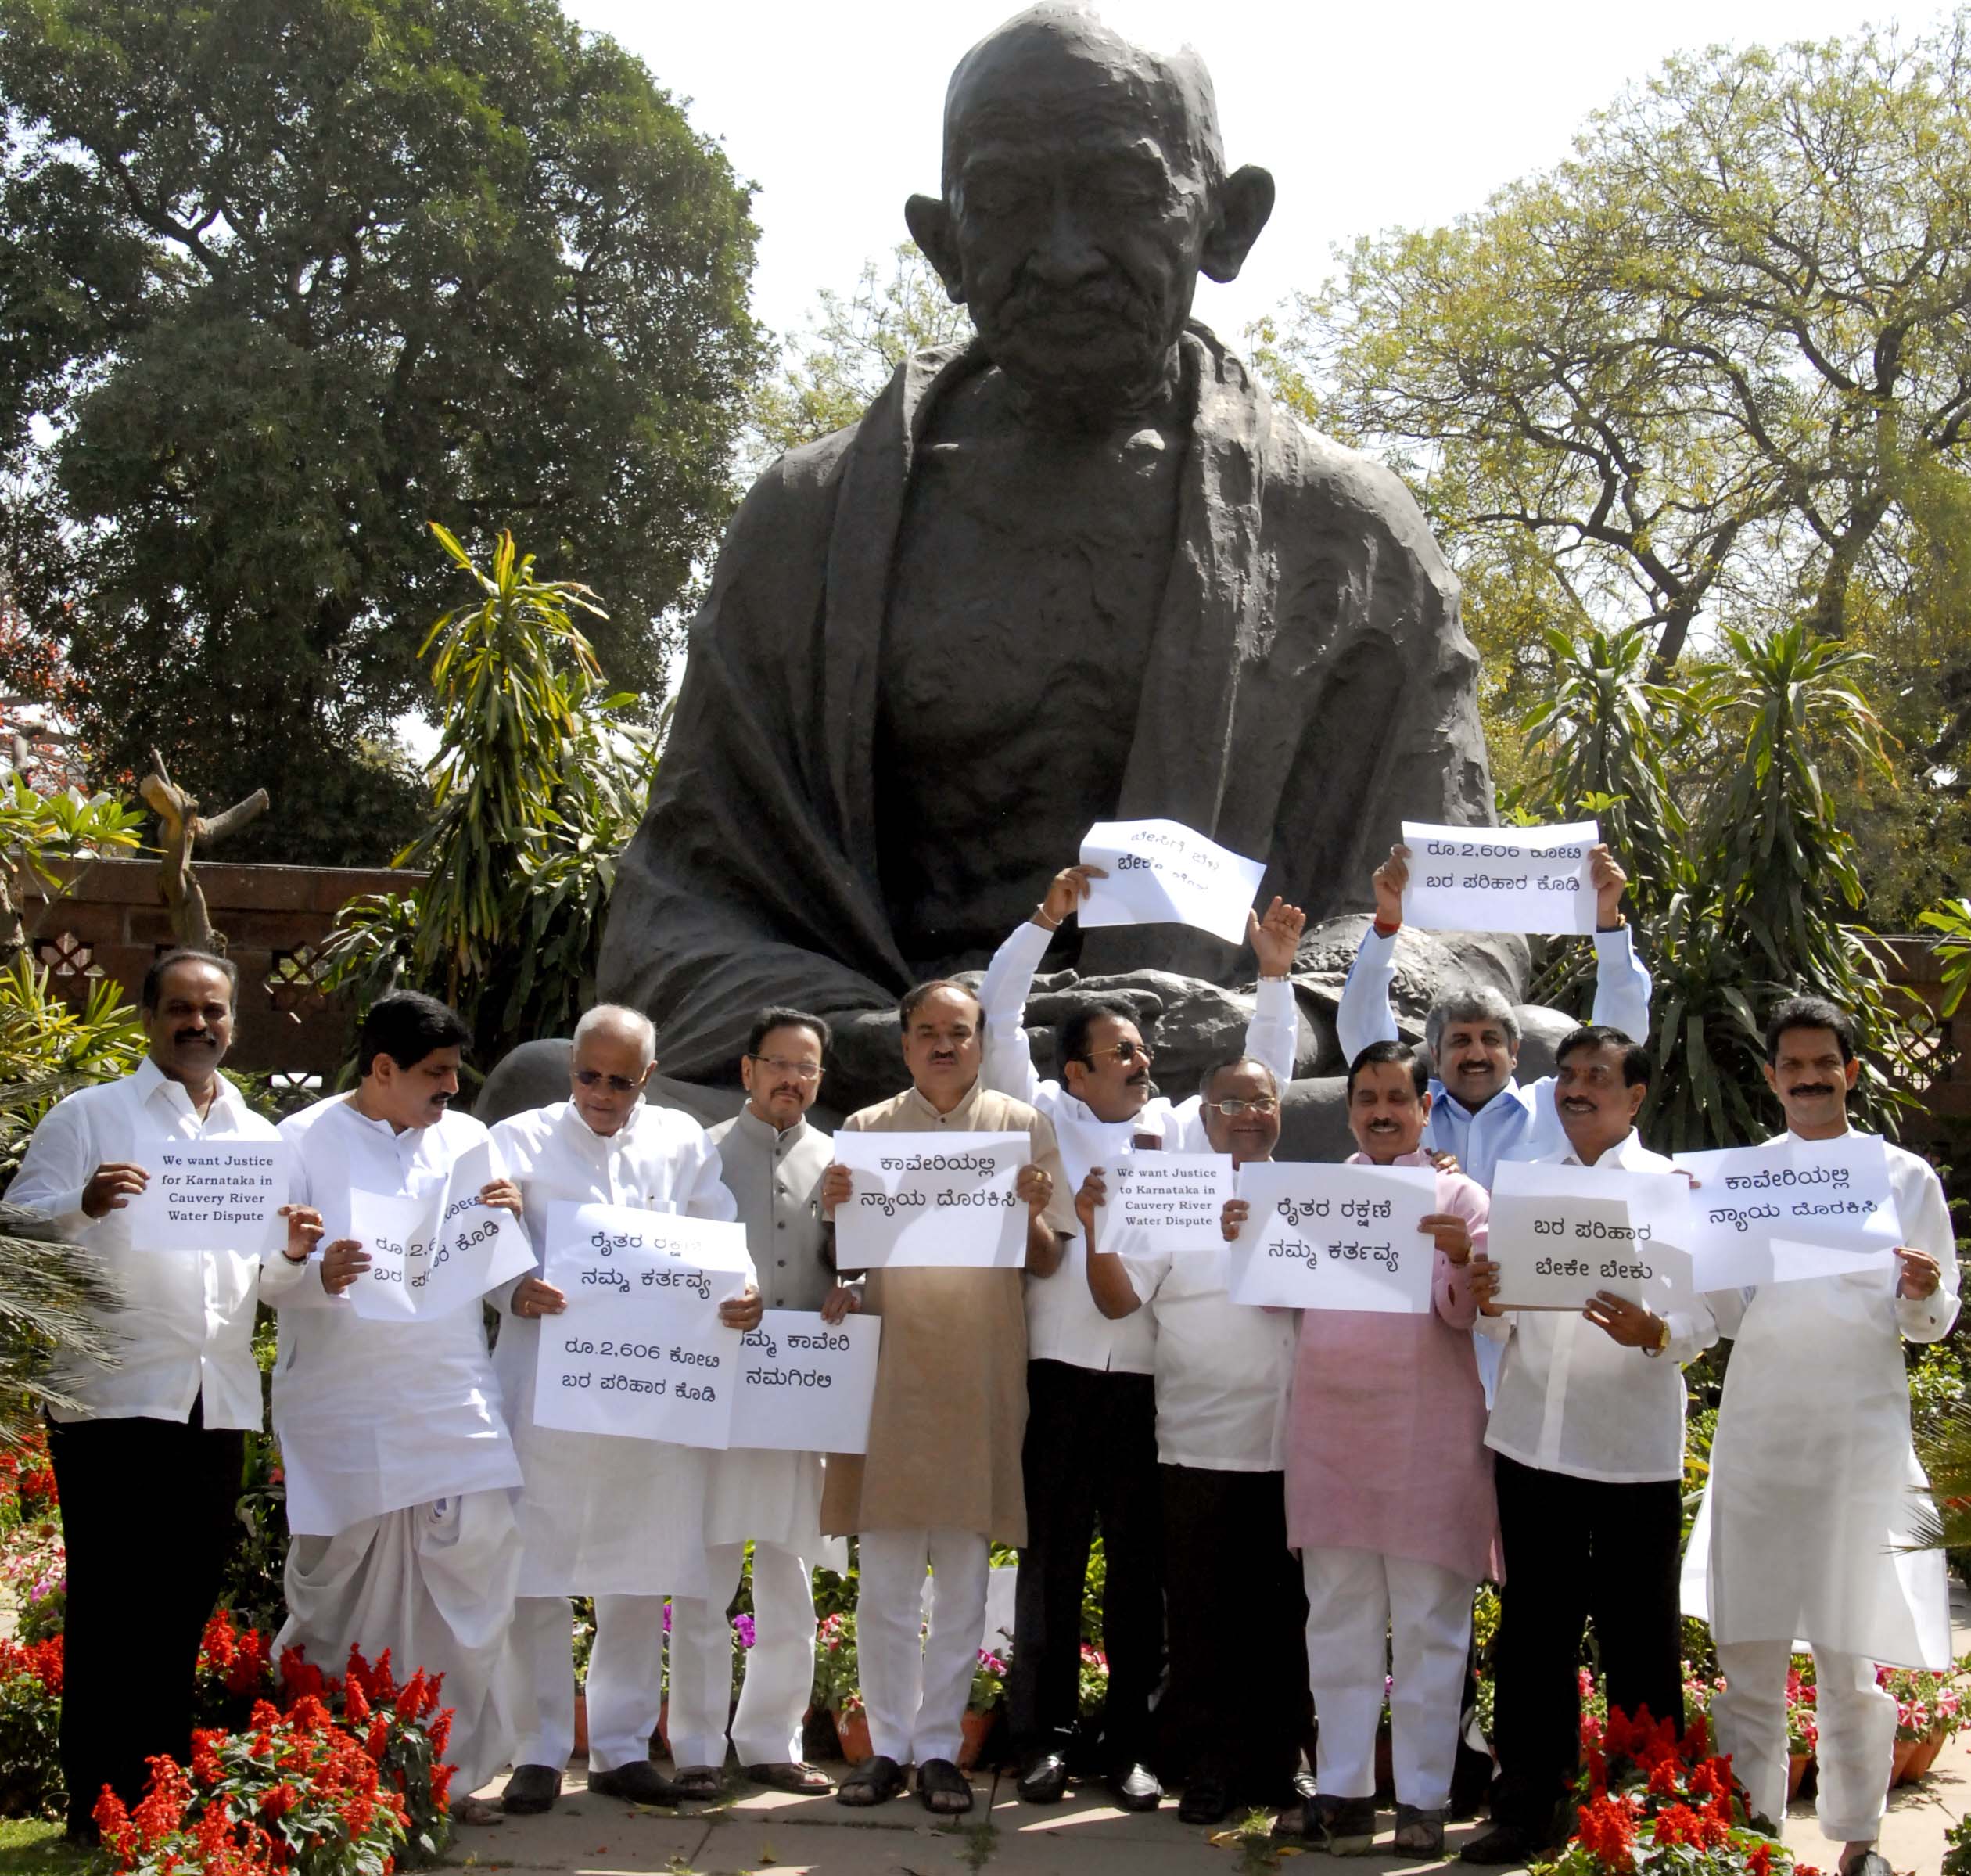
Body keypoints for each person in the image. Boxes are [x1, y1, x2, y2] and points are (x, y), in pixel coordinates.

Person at [595, 2, 1508, 1112]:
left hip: (1217, 1083)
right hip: (883, 1069)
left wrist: (1288, 1009)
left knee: (1509, 1079)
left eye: (1123, 195)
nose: (1066, 255)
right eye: (1012, 203)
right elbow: (682, 901)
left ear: (1226, 223)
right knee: (555, 1086)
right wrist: (878, 1036)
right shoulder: (807, 521)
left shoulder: (1352, 532)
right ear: (943, 242)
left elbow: (1463, 899)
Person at [978, 864, 1303, 1810]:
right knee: (1051, 1566)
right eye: (1121, 1049)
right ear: (1075, 1069)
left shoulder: (1178, 1130)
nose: (1142, 1060)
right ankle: (1037, 1736)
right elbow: (1000, 1017)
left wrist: (1274, 975)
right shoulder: (1046, 1118)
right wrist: (1044, 919)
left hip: (1149, 1387)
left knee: (1140, 1574)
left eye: (1143, 1048)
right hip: (1062, 1376)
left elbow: (1262, 1085)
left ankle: (1134, 1742)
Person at [12, 950, 301, 1842]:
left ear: (233, 1022)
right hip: (112, 1396)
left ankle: (159, 1793)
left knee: (180, 1602)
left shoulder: (260, 1139)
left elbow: (269, 1284)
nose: (198, 1024)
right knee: (113, 1604)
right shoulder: (91, 1116)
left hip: (213, 1400)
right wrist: (84, 1204)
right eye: (180, 1008)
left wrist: (295, 1253)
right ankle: (96, 1805)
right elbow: (17, 1224)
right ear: (149, 1019)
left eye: (213, 1010)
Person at [1686, 996, 1958, 1876]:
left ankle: (1861, 1840)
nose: (1808, 1078)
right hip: (1762, 1438)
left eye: (1823, 1064)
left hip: (1859, 1443)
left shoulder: (1904, 1176)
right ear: (1772, 1077)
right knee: (1751, 1653)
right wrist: (1687, 1238)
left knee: (1852, 1659)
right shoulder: (1741, 1177)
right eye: (1791, 1065)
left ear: (1849, 1070)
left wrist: (1918, 1289)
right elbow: (1719, 1313)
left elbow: (1932, 1322)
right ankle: (1753, 1832)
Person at [267, 991, 529, 1826]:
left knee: (477, 1562)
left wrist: (511, 1234)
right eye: (436, 1076)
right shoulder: (300, 1140)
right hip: (346, 1404)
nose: (451, 1092)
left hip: (452, 1390)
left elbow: (492, 1271)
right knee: (343, 1592)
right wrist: (315, 1271)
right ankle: (344, 1775)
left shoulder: (467, 1139)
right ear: (381, 1070)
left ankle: (448, 1771)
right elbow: (260, 1281)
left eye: (455, 1075)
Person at [486, 1004, 756, 1813]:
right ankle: (537, 1749)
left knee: (639, 1571)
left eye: (619, 1079)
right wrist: (512, 1286)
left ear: (648, 1076)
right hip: (543, 1387)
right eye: (587, 1075)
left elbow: (721, 1241)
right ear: (572, 1069)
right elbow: (482, 1240)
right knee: (536, 1571)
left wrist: (744, 1293)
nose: (600, 1093)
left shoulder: (680, 1141)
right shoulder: (517, 1141)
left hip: (649, 1394)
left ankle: (621, 1748)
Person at [819, 981, 1076, 1818]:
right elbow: (847, 1259)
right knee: (888, 1573)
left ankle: (939, 1749)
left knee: (963, 1575)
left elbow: (1043, 1261)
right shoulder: (864, 1131)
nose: (942, 1045)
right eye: (926, 1032)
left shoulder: (1017, 1125)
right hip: (892, 1369)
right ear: (903, 1045)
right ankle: (886, 1746)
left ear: (979, 1041)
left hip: (979, 1371)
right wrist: (834, 1217)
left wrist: (1035, 1211)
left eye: (957, 1032)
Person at [1460, 1027, 1718, 1864]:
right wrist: (1489, 1298)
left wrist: (1657, 1330)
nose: (1575, 1088)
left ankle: (1654, 1818)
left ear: (1635, 1096)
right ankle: (1527, 1806)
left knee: (1639, 1637)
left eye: (1596, 1077)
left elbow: (1704, 1321)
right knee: (1534, 1633)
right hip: (1533, 1441)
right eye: (1567, 1075)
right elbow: (1497, 1317)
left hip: (1629, 1451)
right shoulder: (1526, 1186)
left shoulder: (1672, 1188)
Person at [1079, 1057, 1307, 1827]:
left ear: (1281, 1110)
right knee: (1205, 1615)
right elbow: (1117, 1299)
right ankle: (1206, 1768)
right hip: (1199, 1441)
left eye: (1262, 1100)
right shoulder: (1172, 1193)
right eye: (1231, 1101)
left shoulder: (1317, 1194)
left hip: (1298, 1445)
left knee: (1287, 1615)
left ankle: (1281, 1763)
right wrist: (1093, 1229)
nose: (1248, 1113)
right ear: (1201, 1114)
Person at [1285, 1041, 1499, 1860]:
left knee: (1430, 1632)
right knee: (1336, 1624)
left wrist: (1456, 1255)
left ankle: (1423, 1800)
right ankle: (1341, 1790)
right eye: (1367, 1097)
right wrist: (1244, 1230)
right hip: (1331, 1438)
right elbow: (1270, 1291)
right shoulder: (1313, 1196)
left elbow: (1470, 1312)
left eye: (1397, 1098)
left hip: (1428, 1444)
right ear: (1348, 1110)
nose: (1381, 1111)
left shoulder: (1460, 1193)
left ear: (1422, 1109)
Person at [669, 1009, 841, 1796]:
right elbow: (663, 1268)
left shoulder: (838, 1163)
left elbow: (860, 1270)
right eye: (779, 1064)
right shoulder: (695, 1158)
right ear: (747, 1071)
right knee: (702, 1578)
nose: (792, 1080)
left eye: (807, 1068)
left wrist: (852, 1284)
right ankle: (698, 1747)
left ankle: (773, 1740)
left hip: (796, 1397)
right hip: (713, 1394)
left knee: (787, 1576)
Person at [1335, 843, 1650, 1188]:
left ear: (1514, 1052)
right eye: (1460, 1040)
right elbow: (1363, 1038)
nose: (1475, 1054)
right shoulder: (1407, 1107)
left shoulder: (1556, 1105)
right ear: (1436, 1055)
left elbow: (1620, 1045)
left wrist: (1607, 923)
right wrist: (1386, 923)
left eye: (1490, 1039)